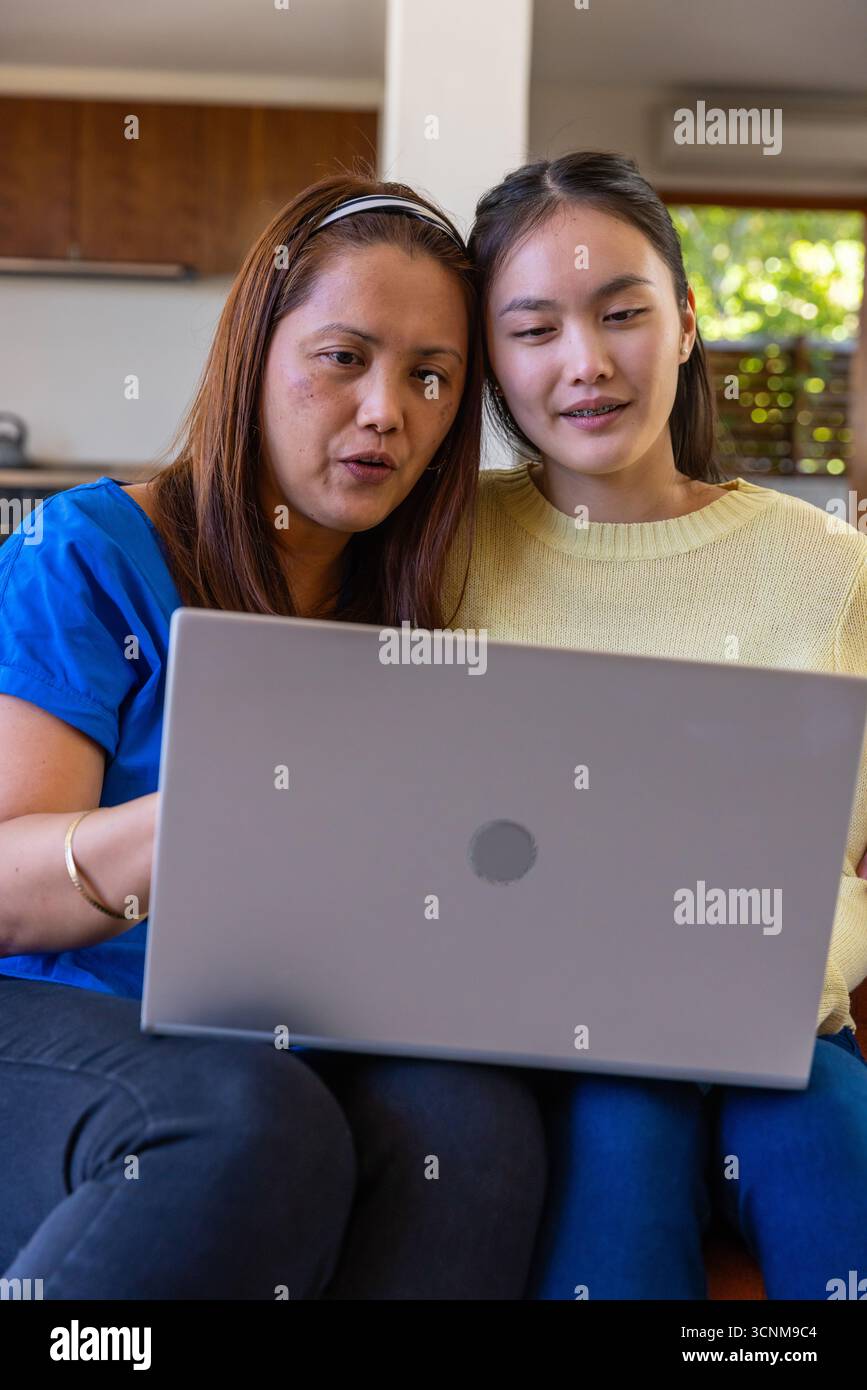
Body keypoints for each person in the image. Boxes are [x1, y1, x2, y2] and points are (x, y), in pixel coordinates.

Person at [0, 175, 547, 1300]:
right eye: (344, 357)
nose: (388, 411)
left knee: (475, 1121)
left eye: (431, 377)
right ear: (254, 352)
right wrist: (204, 821)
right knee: (249, 1112)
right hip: (61, 1018)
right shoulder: (85, 552)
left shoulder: (407, 618)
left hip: (276, 1023)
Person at [443, 150, 867, 1299]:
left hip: (781, 1039)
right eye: (532, 331)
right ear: (489, 358)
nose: (585, 365)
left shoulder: (828, 573)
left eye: (621, 313)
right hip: (550, 1046)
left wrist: (771, 975)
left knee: (822, 1122)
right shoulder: (438, 555)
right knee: (623, 1115)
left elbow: (850, 871)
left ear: (684, 321)